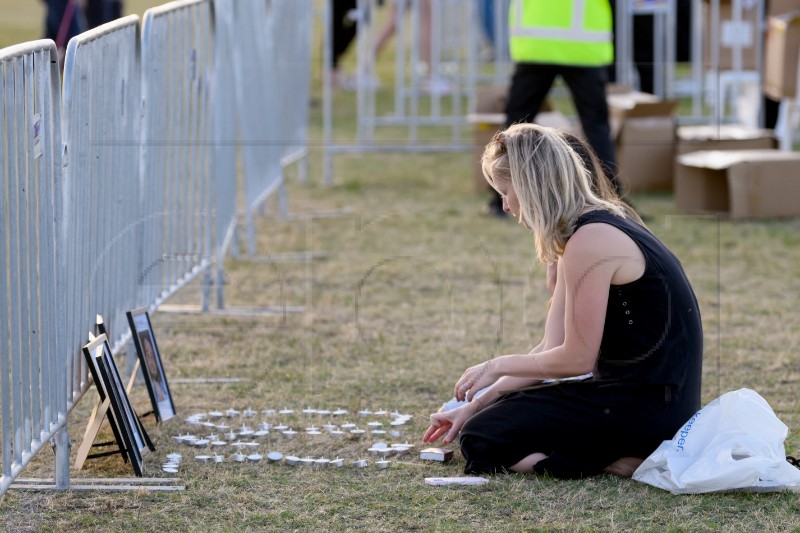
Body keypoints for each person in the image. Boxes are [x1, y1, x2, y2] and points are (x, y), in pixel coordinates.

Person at [424, 123, 703, 479]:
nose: (506, 206)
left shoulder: (592, 240)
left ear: (532, 186)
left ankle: (617, 460)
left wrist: (494, 366)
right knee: (479, 419)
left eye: (506, 192)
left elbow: (576, 359)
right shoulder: (585, 232)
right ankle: (604, 451)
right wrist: (477, 403)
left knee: (482, 438)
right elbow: (550, 348)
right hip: (637, 396)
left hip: (646, 407)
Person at [487, 0, 619, 216]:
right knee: (596, 125)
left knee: (516, 125)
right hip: (582, 45)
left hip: (536, 42)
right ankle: (613, 198)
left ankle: (499, 196)